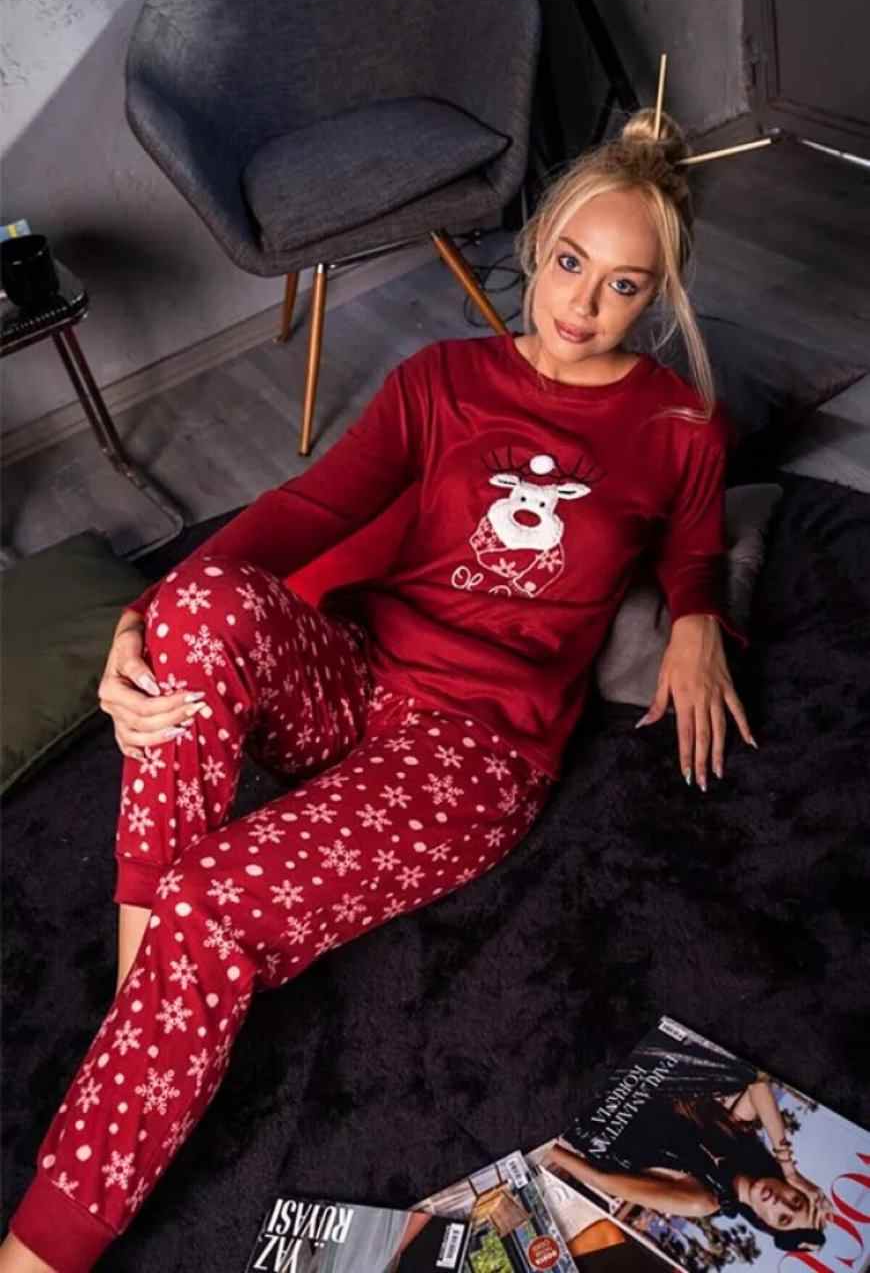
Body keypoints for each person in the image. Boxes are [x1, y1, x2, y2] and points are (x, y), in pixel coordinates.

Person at [2, 106, 758, 1272]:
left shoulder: (678, 425)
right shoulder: (443, 379)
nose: (582, 305)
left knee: (218, 899)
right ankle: (138, 982)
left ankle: (39, 1250)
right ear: (537, 243)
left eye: (623, 285)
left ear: (658, 294)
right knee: (199, 606)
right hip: (359, 678)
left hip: (476, 750)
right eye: (569, 263)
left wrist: (697, 616)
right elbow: (307, 509)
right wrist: (140, 616)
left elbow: (697, 543)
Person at [542, 1076, 832, 1254]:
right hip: (618, 1076)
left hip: (577, 1114)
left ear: (766, 1223)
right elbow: (758, 1081)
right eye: (795, 1200)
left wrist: (539, 1147)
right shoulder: (735, 1137)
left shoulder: (703, 1200)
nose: (781, 1203)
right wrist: (789, 1167)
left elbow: (601, 1179)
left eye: (783, 1218)